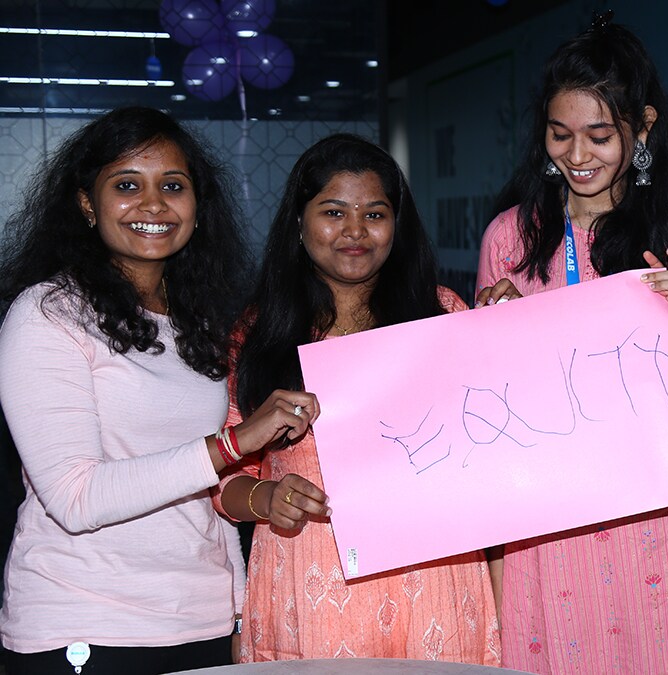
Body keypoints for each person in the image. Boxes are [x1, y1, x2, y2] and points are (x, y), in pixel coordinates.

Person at [0, 107, 318, 675]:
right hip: (90, 625)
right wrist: (234, 442)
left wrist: (239, 612)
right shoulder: (49, 314)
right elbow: (77, 500)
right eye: (127, 186)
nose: (153, 205)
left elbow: (206, 498)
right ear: (86, 203)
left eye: (173, 186)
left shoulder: (200, 322)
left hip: (202, 624)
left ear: (198, 207)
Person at [476, 13, 668, 674]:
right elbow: (485, 419)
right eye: (560, 134)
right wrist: (485, 340)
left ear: (643, 128)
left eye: (599, 135)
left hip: (666, 525)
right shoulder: (510, 238)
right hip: (550, 530)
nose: (577, 154)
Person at [214, 134, 500, 664]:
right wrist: (267, 499)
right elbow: (224, 480)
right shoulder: (258, 335)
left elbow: (497, 444)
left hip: (436, 581)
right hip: (313, 585)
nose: (354, 231)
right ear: (299, 224)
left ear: (398, 225)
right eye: (333, 212)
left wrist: (509, 335)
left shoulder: (443, 315)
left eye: (375, 214)